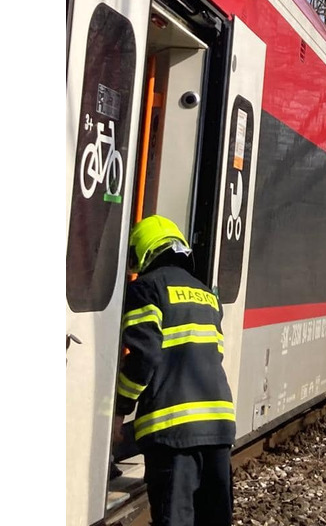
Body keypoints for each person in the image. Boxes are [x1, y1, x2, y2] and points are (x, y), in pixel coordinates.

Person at [113, 215, 236, 526]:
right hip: (219, 427)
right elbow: (216, 354)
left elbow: (145, 358)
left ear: (142, 252)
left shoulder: (147, 289)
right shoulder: (208, 295)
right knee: (214, 518)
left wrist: (120, 409)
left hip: (173, 433)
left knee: (175, 519)